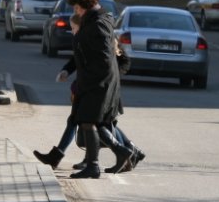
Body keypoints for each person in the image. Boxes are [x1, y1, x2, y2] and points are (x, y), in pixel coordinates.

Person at [33, 14, 143, 172]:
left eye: (74, 28)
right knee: (84, 122)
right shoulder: (83, 40)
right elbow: (77, 60)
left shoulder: (105, 39)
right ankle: (116, 155)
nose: (72, 31)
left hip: (103, 90)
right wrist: (66, 71)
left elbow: (123, 61)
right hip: (87, 87)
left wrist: (111, 76)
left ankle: (127, 152)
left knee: (101, 124)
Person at [64, 0, 124, 179]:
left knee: (89, 121)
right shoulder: (95, 19)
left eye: (76, 7)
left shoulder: (97, 23)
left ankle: (94, 166)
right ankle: (117, 154)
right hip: (94, 80)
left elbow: (104, 57)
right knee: (89, 121)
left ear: (84, 5)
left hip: (98, 82)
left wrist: (91, 79)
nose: (75, 11)